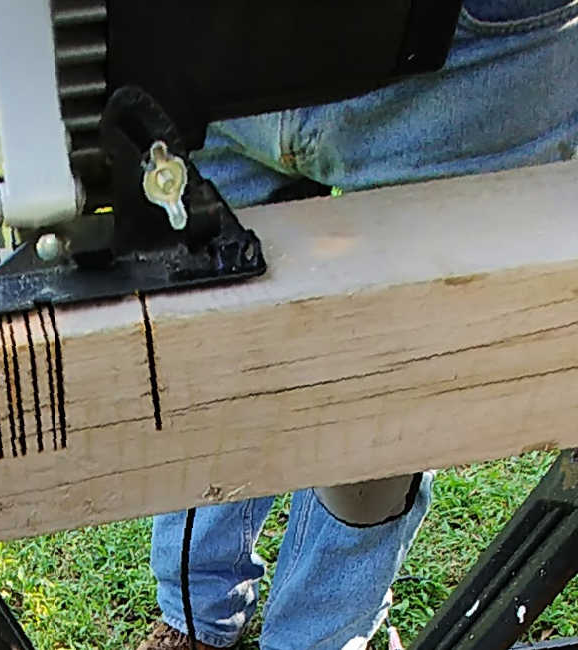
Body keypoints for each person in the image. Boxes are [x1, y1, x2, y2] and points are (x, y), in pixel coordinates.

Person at [138, 2, 578, 648]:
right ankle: (202, 619)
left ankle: (291, 632)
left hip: (463, 59)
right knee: (218, 335)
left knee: (383, 381)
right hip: (224, 56)